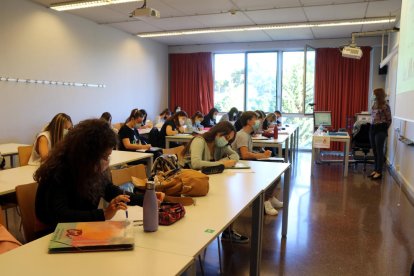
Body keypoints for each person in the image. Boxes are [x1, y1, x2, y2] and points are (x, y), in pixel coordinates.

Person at [34, 119, 162, 234]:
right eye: (104, 156)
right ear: (87, 154)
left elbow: (109, 190)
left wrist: (146, 199)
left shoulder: (86, 168)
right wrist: (103, 214)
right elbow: (60, 215)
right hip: (53, 234)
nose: (106, 161)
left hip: (79, 230)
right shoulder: (58, 171)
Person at [181, 121, 248, 243]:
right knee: (224, 199)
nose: (227, 141)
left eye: (230, 140)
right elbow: (196, 164)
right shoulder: (199, 141)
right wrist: (222, 163)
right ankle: (219, 231)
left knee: (229, 198)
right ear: (218, 133)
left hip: (207, 179)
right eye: (226, 137)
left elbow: (235, 157)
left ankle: (228, 232)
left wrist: (223, 161)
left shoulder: (220, 144)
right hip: (190, 183)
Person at [231, 111, 283, 216]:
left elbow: (248, 153)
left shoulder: (246, 134)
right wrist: (262, 156)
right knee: (271, 174)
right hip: (241, 165)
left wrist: (262, 154)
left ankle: (269, 197)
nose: (258, 122)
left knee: (276, 173)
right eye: (256, 119)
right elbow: (244, 155)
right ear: (249, 121)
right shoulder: (242, 135)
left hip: (247, 162)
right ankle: (265, 201)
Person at [369, 88, 392, 180]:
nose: (372, 95)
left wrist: (384, 128)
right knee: (374, 150)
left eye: (374, 94)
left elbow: (389, 120)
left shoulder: (385, 105)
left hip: (381, 129)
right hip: (373, 128)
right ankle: (375, 169)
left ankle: (379, 172)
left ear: (378, 95)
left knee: (379, 151)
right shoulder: (374, 104)